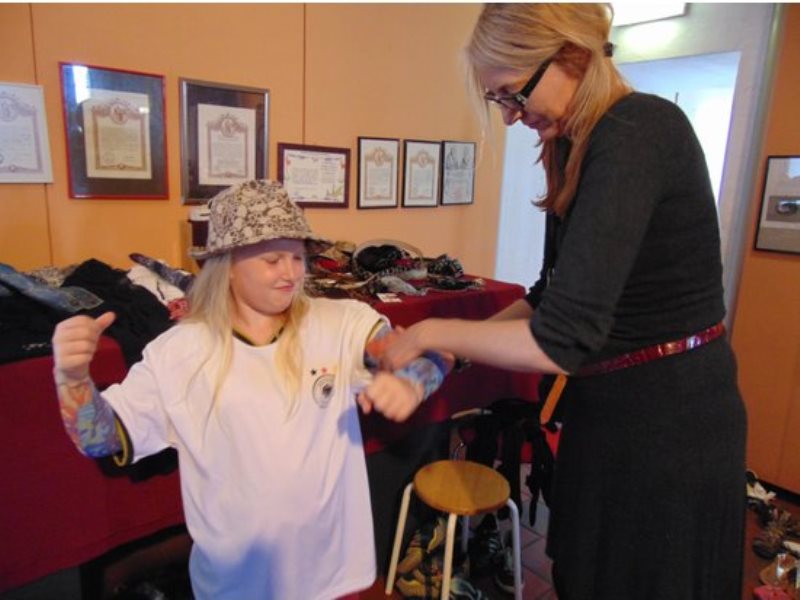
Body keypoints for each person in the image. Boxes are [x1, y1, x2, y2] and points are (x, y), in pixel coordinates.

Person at [380, 4, 747, 599]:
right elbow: (548, 300)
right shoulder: (576, 147)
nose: (510, 117)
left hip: (670, 426)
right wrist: (449, 357)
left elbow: (561, 339)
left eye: (512, 95)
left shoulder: (640, 131)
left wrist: (428, 334)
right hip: (609, 412)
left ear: (571, 57)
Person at [51, 180, 452, 600]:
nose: (292, 273)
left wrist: (411, 382)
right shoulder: (178, 354)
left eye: (297, 256)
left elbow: (432, 355)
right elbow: (99, 439)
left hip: (331, 573)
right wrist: (73, 379)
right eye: (273, 259)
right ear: (226, 264)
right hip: (234, 583)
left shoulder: (341, 322)